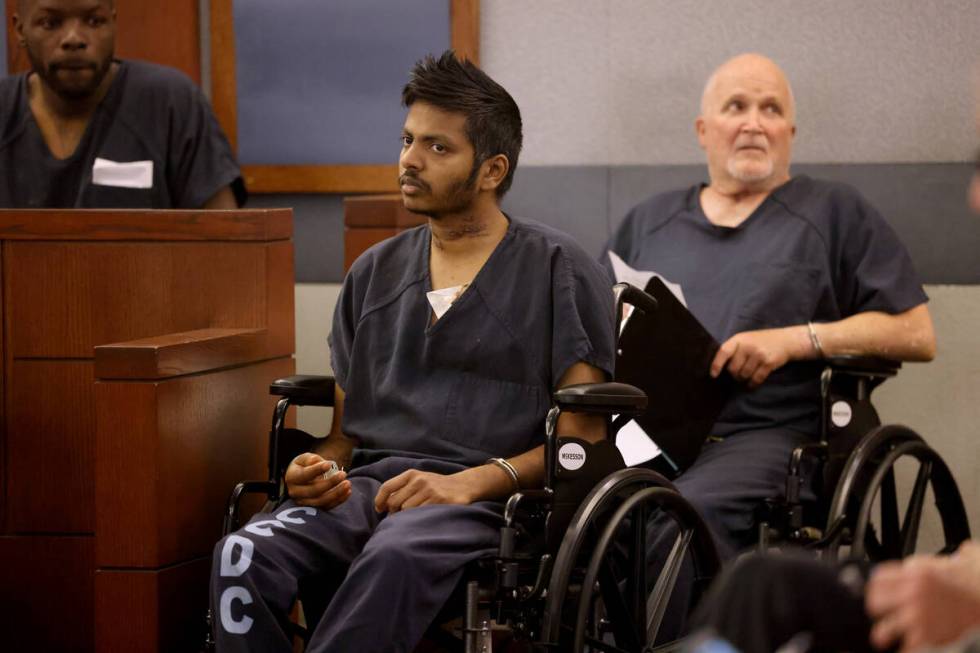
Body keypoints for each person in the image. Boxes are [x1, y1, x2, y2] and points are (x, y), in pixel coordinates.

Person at [210, 51, 616, 652]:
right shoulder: (373, 273)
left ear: (491, 169)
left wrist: (472, 482)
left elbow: (583, 437)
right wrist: (315, 472)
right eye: (407, 140)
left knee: (394, 553)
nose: (409, 160)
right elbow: (345, 439)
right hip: (372, 489)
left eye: (438, 147)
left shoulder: (559, 269)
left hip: (490, 507)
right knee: (242, 552)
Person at [603, 53, 936, 633]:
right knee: (587, 501)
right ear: (704, 130)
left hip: (767, 435)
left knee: (679, 512)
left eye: (771, 109)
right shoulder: (648, 221)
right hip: (652, 434)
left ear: (790, 134)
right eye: (736, 106)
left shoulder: (833, 211)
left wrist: (796, 340)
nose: (754, 122)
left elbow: (916, 331)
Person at [2, 0, 244, 208]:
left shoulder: (171, 103)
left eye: (94, 21)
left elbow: (226, 243)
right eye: (50, 23)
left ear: (113, 23)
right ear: (20, 29)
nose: (73, 39)